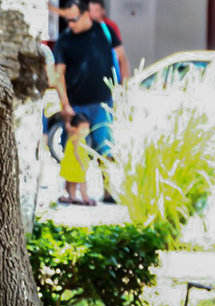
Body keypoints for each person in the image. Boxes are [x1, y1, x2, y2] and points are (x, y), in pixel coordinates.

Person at [54, 0, 123, 203]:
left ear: (86, 15)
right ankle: (70, 193)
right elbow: (59, 73)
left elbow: (121, 58)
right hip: (76, 105)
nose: (70, 24)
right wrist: (65, 104)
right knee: (72, 149)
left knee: (106, 147)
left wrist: (122, 89)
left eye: (74, 19)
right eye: (67, 20)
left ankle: (109, 190)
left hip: (102, 102)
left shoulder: (104, 31)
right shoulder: (64, 40)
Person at [87, 0, 129, 83]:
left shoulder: (110, 27)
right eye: (90, 11)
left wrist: (124, 80)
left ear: (103, 11)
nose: (93, 14)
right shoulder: (85, 28)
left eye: (96, 10)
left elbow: (120, 55)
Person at [58, 113, 95, 206]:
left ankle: (72, 196)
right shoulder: (76, 138)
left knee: (73, 182)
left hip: (73, 163)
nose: (85, 131)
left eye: (87, 128)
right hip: (75, 164)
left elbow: (67, 126)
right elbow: (76, 152)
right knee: (82, 182)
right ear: (74, 128)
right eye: (83, 128)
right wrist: (82, 163)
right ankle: (85, 197)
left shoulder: (75, 135)